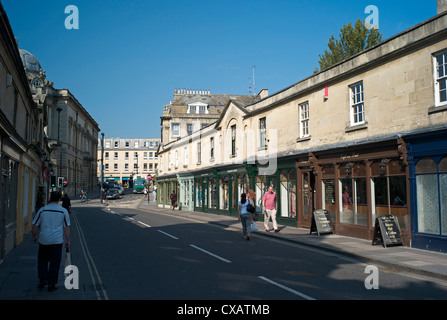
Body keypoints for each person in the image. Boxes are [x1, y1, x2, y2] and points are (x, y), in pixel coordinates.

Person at [32, 191, 70, 292]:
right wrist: (68, 240)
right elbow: (66, 228)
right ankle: (52, 284)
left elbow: (35, 226)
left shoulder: (42, 210)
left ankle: (42, 280)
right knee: (55, 262)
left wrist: (34, 236)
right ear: (59, 200)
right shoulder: (63, 211)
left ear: (50, 198)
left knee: (42, 261)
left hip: (44, 240)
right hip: (57, 241)